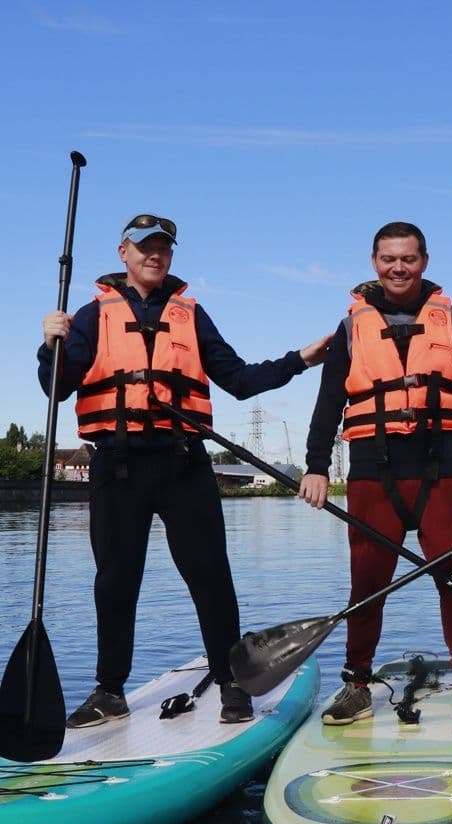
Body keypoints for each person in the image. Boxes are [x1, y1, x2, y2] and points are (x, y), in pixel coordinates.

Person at [38, 213, 332, 727]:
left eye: (164, 248)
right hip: (117, 465)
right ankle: (110, 690)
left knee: (210, 577)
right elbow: (57, 387)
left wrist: (300, 359)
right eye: (145, 246)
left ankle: (231, 680)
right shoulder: (90, 315)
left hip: (183, 465)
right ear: (122, 252)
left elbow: (239, 379)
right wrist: (50, 344)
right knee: (114, 582)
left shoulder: (192, 316)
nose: (155, 255)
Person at [299, 221, 452, 724]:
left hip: (442, 469)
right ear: (374, 263)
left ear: (424, 261)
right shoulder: (351, 327)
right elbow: (329, 399)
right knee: (368, 583)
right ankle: (357, 684)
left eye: (408, 258)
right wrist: (316, 465)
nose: (398, 268)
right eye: (388, 259)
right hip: (371, 473)